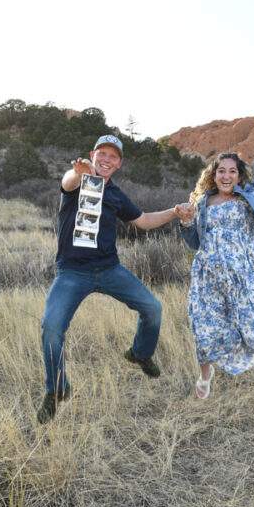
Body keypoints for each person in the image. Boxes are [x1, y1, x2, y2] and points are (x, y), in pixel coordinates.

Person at [37, 134, 180, 423]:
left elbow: (144, 221)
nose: (105, 159)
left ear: (118, 164)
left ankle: (140, 353)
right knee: (51, 329)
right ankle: (57, 389)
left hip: (109, 269)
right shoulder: (78, 182)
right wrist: (76, 173)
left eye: (112, 156)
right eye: (101, 153)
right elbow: (66, 183)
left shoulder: (115, 194)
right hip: (72, 273)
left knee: (152, 309)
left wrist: (175, 212)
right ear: (93, 155)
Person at [175, 107, 254, 400]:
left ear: (239, 175)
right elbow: (194, 243)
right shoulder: (202, 203)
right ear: (213, 174)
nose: (227, 175)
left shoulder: (251, 197)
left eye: (232, 171)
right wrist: (186, 223)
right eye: (221, 170)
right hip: (208, 277)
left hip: (245, 277)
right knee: (204, 329)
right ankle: (206, 375)